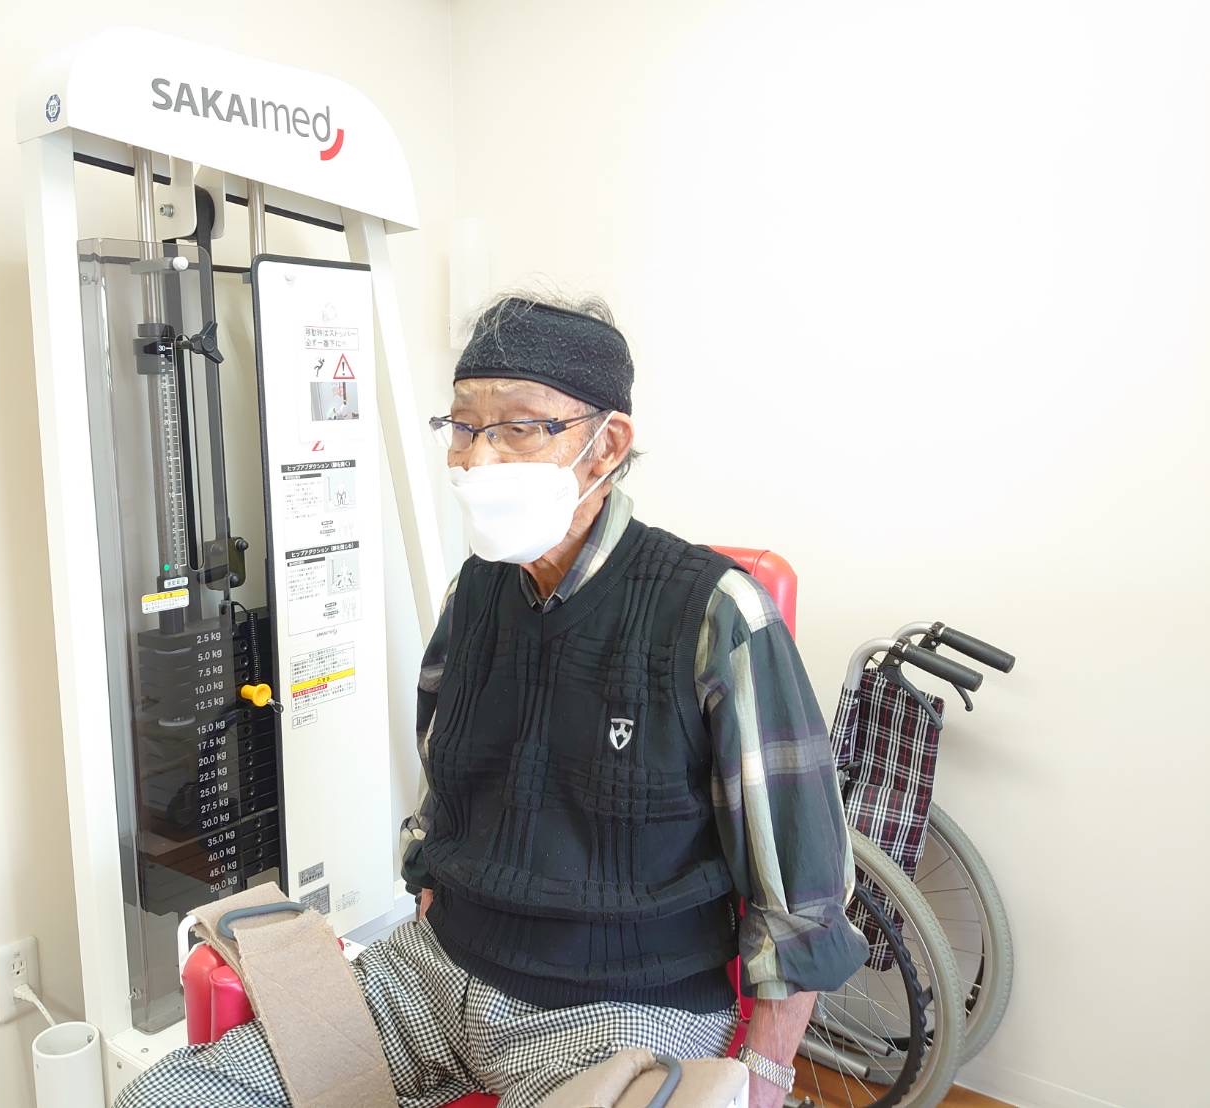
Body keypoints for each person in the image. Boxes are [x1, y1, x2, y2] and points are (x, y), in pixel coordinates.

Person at [115, 294, 866, 1108]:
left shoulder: (715, 613)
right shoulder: (471, 595)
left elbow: (804, 892)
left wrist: (765, 1074)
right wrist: (429, 878)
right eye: (464, 427)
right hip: (427, 976)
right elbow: (445, 780)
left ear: (607, 443)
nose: (476, 459)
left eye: (515, 428)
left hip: (617, 1011)